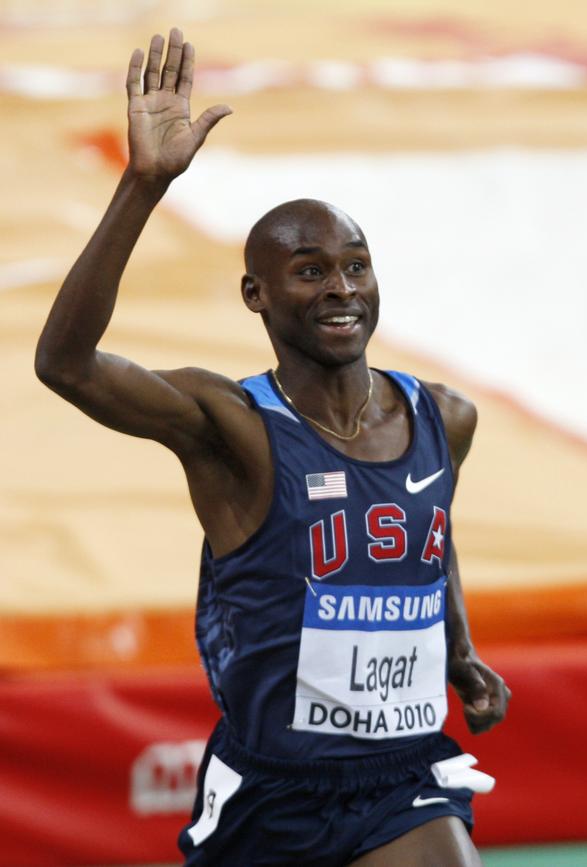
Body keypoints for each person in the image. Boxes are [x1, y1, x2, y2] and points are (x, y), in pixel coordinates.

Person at [35, 28, 510, 867]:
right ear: (255, 292)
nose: (340, 288)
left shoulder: (443, 418)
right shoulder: (233, 428)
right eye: (310, 269)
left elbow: (429, 531)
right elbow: (65, 365)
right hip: (271, 792)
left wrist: (462, 649)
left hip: (399, 774)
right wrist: (145, 185)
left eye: (356, 266)